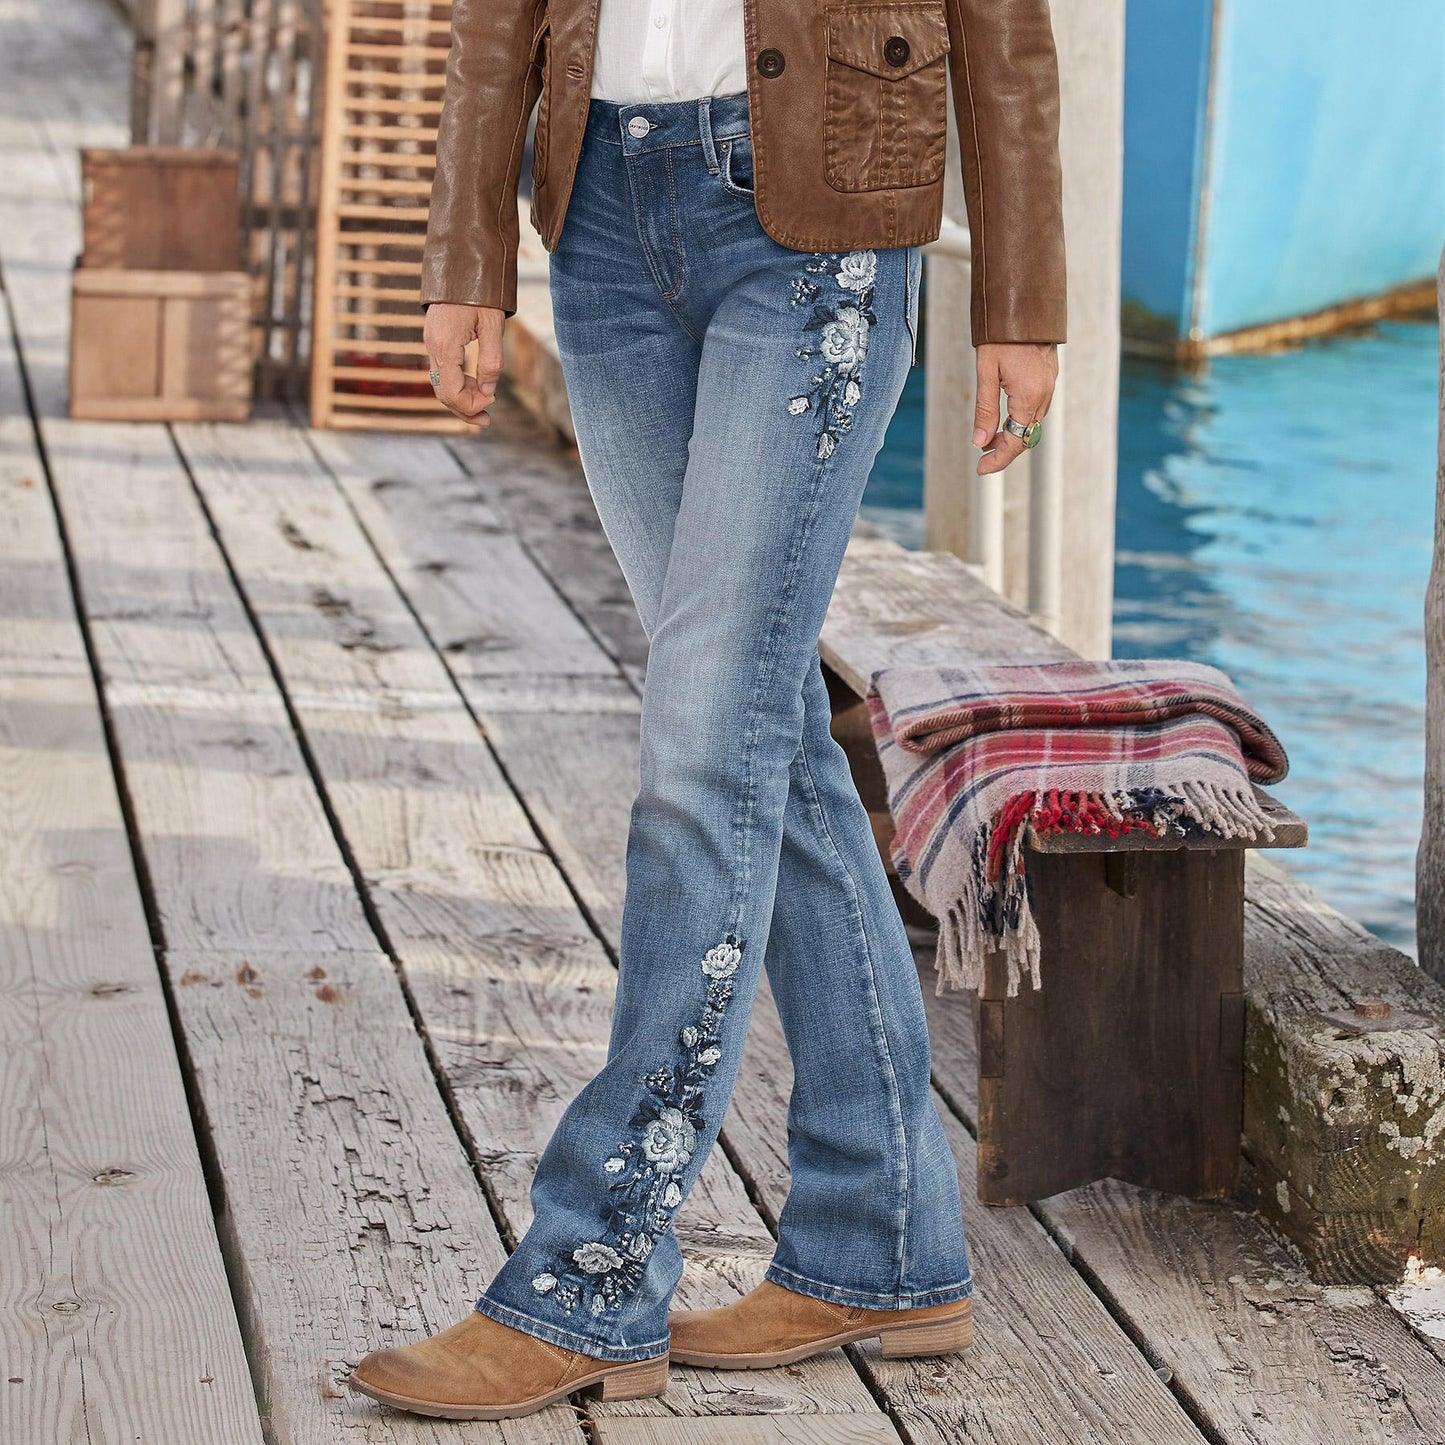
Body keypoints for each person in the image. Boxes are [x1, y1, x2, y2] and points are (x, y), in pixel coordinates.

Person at [350, 0, 1065, 1421]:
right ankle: (881, 1241)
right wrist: (464, 250)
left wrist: (1021, 297)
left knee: (700, 754)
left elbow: (1006, 26)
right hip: (603, 220)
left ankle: (593, 1266)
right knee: (761, 740)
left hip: (817, 223)